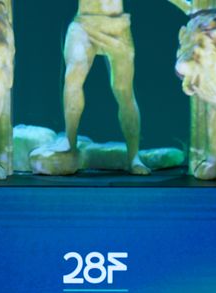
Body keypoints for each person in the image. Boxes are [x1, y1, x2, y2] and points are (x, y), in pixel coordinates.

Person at [45, 0, 154, 175]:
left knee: (123, 90)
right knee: (73, 75)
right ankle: (70, 142)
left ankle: (134, 156)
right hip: (84, 23)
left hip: (116, 26)